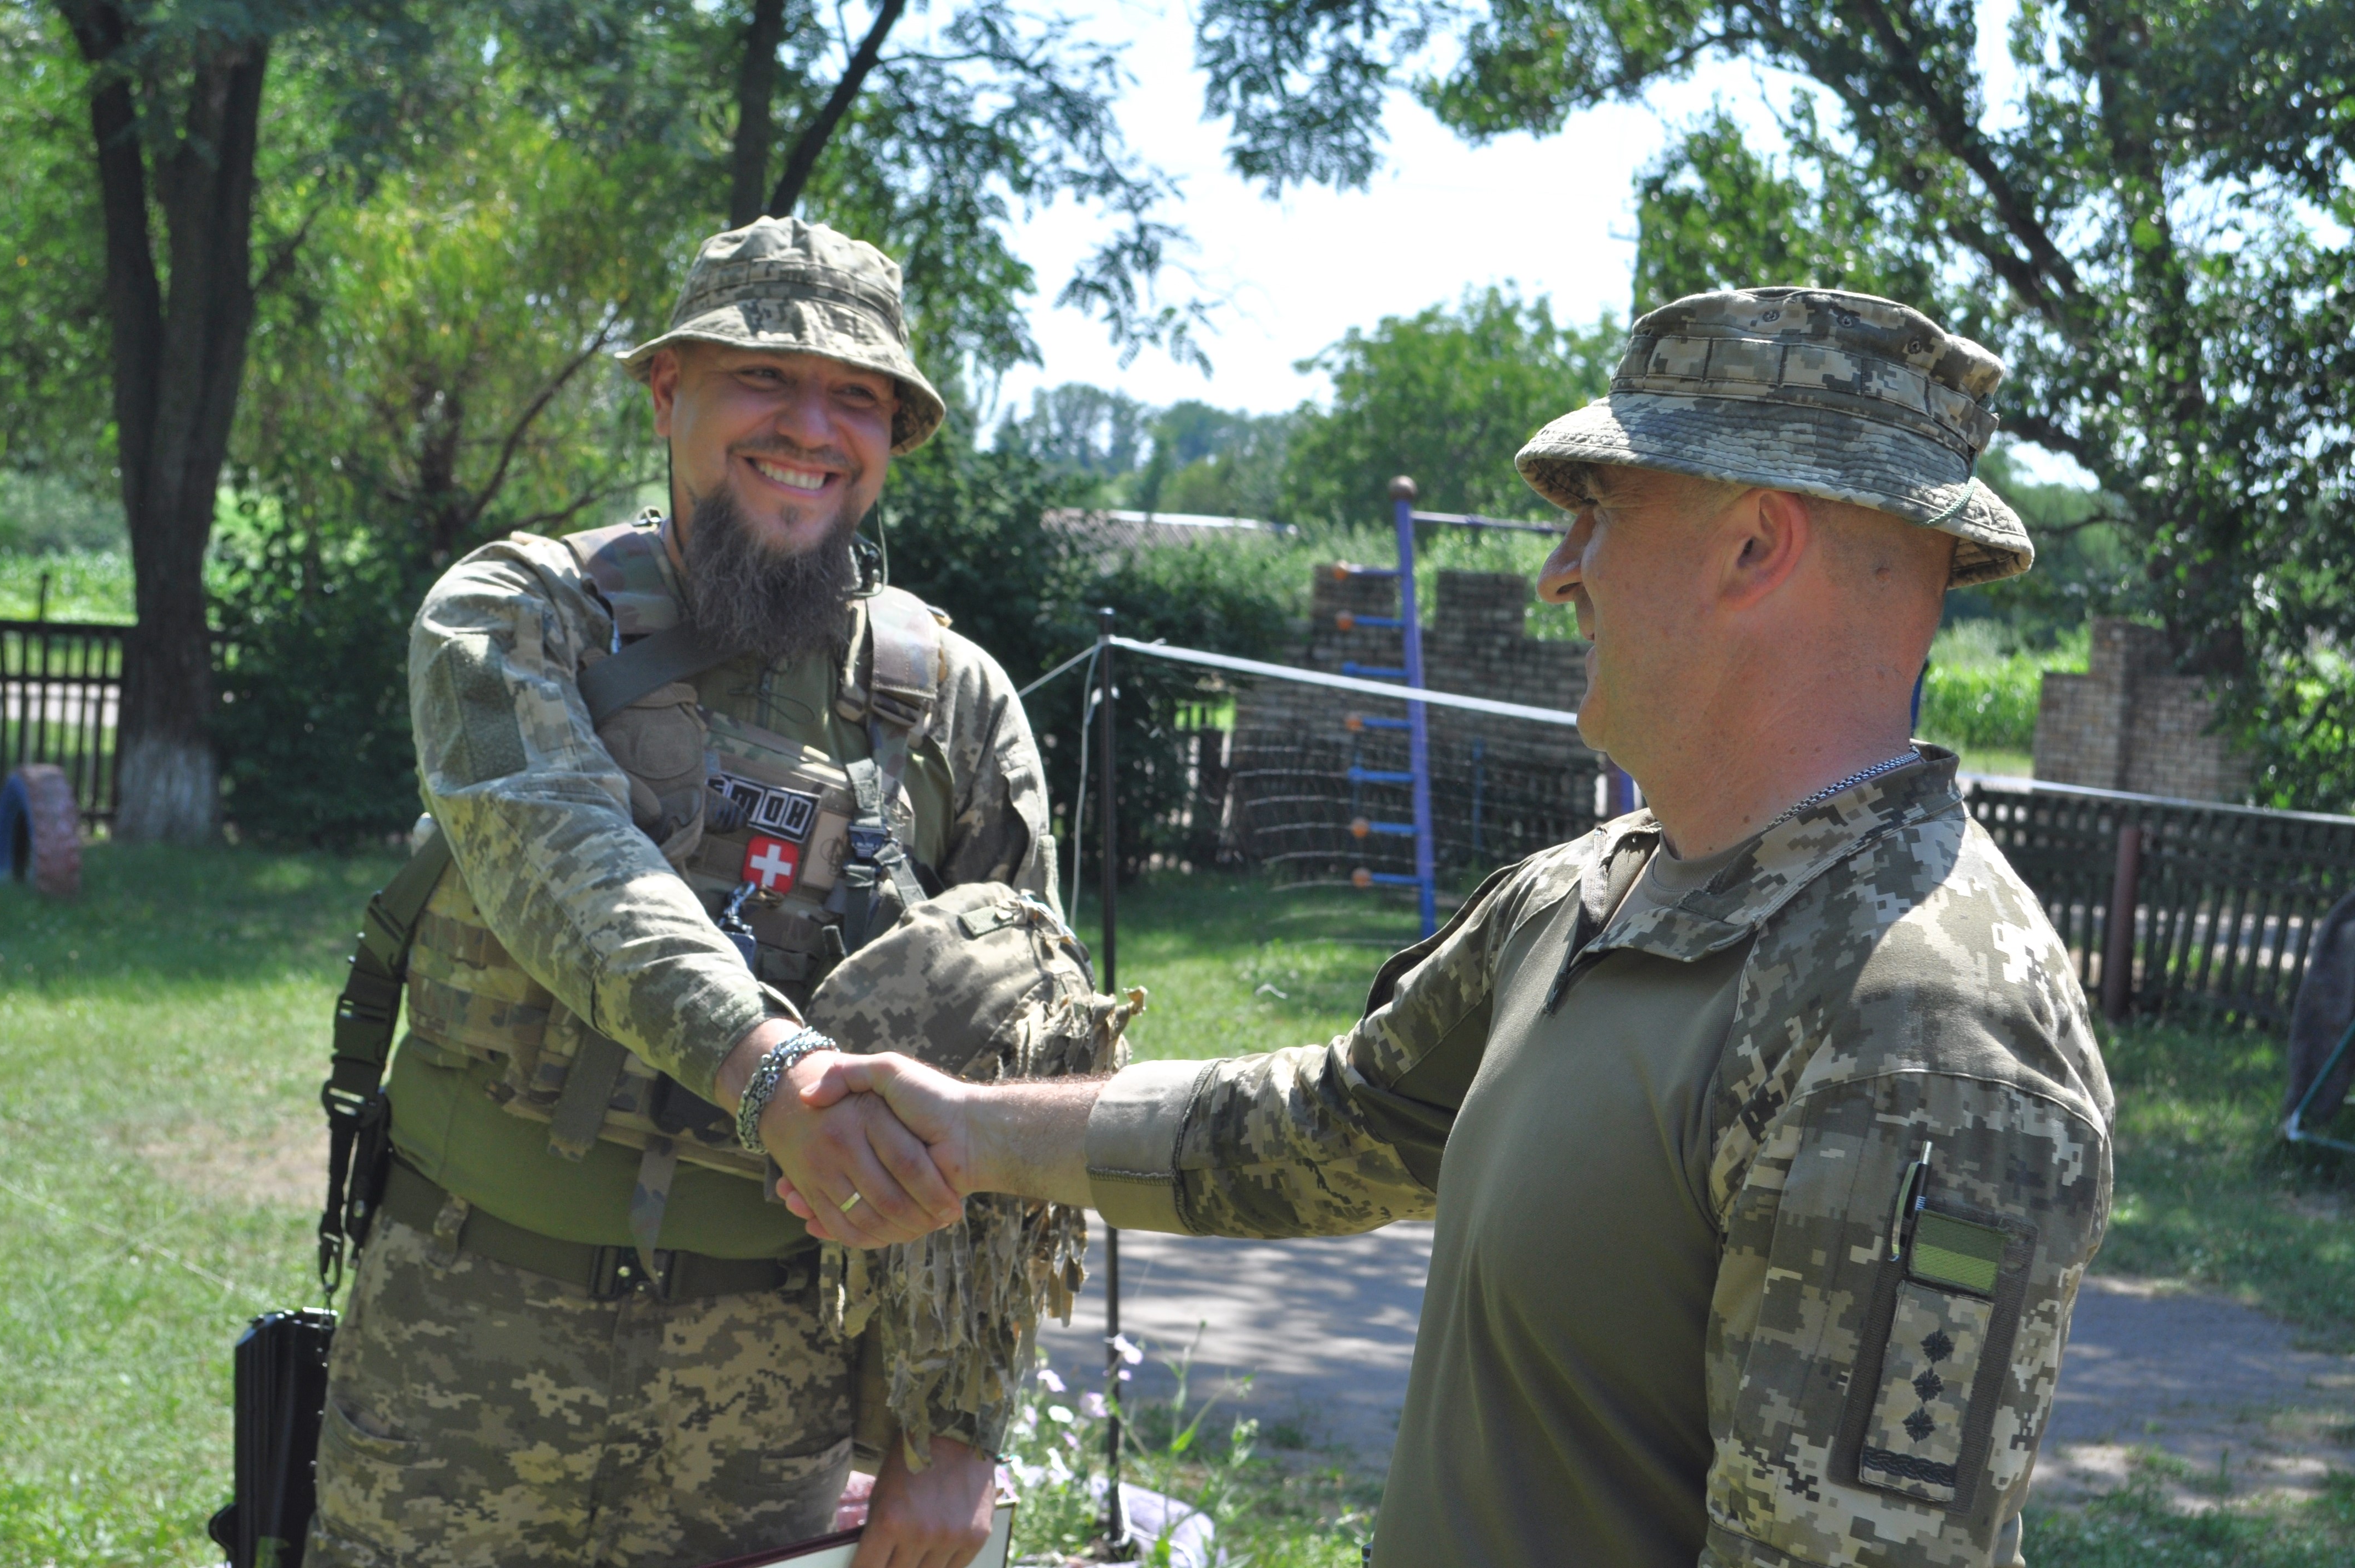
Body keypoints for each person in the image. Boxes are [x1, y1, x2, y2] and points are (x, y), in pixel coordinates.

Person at [783, 288, 2115, 1566]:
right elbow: (1327, 1125)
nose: (1556, 573)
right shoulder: (1593, 889)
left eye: (1598, 515)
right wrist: (970, 1129)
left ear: (1755, 546)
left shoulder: (1918, 1025)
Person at [306, 217, 1052, 1568]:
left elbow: (1020, 1078)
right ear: (669, 393)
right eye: (764, 377)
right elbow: (566, 860)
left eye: (859, 396)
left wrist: (955, 1431)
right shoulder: (518, 610)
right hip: (463, 1343)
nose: (811, 426)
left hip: (767, 1393)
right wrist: (770, 1070)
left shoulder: (956, 705)